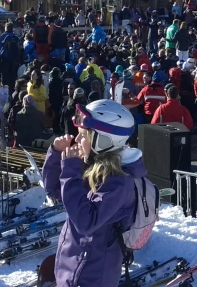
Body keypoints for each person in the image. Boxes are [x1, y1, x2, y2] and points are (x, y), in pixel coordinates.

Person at [41, 100, 146, 287]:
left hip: (93, 274)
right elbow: (55, 191)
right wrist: (56, 155)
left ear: (104, 141)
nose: (77, 140)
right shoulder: (92, 166)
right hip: (71, 265)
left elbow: (86, 221)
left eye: (83, 135)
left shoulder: (119, 181)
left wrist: (71, 170)